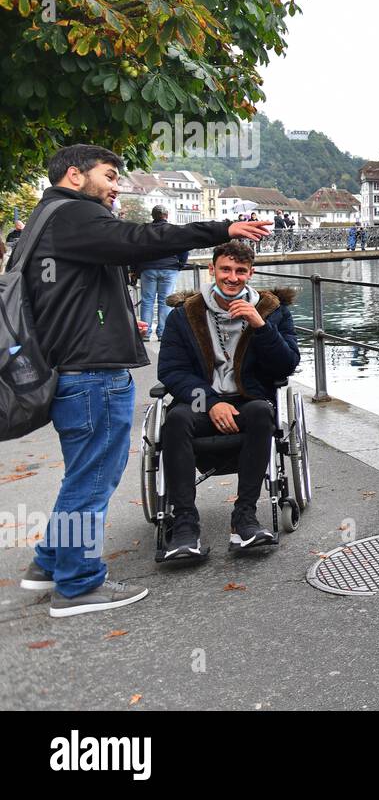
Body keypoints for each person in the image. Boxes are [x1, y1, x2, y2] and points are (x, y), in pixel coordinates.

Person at [15, 145, 272, 615]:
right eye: (109, 176)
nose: (116, 186)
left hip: (72, 365)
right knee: (92, 478)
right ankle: (78, 585)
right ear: (75, 175)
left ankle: (50, 563)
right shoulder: (73, 215)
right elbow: (141, 239)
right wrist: (222, 228)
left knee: (82, 474)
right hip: (91, 371)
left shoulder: (45, 218)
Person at [155, 241, 299, 560]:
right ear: (212, 270)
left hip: (247, 399)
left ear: (251, 273)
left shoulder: (272, 311)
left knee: (263, 412)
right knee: (175, 420)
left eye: (240, 271)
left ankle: (245, 518)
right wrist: (210, 401)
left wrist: (260, 327)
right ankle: (185, 526)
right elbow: (171, 370)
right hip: (199, 402)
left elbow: (286, 366)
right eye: (225, 269)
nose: (232, 277)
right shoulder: (185, 314)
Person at [131, 205, 188, 341]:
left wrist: (134, 269)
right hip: (169, 269)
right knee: (165, 301)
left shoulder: (144, 230)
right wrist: (180, 264)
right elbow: (184, 249)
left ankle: (145, 332)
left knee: (147, 301)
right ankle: (163, 333)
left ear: (153, 216)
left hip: (148, 269)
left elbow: (135, 250)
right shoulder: (173, 230)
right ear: (166, 215)